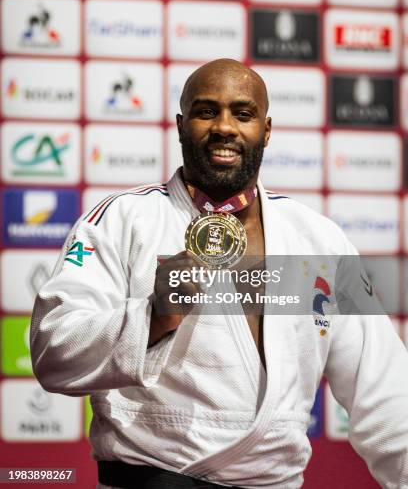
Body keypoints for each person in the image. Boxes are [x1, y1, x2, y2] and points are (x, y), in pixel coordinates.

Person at [30, 59, 408, 489]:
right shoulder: (123, 220)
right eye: (206, 112)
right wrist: (152, 318)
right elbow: (53, 352)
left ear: (266, 130)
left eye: (242, 114)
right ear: (180, 125)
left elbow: (385, 391)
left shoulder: (321, 241)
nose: (224, 127)